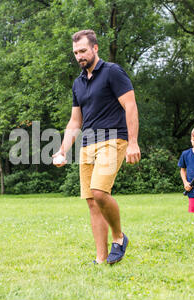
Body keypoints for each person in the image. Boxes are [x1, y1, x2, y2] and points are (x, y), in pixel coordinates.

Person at [53, 29, 140, 264]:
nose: (79, 56)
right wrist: (63, 149)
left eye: (83, 50)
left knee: (100, 192)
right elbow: (75, 121)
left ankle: (119, 238)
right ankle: (101, 259)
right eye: (75, 53)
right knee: (92, 201)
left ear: (95, 48)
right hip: (88, 144)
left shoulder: (112, 72)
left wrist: (133, 142)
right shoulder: (78, 83)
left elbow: (130, 105)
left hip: (113, 138)